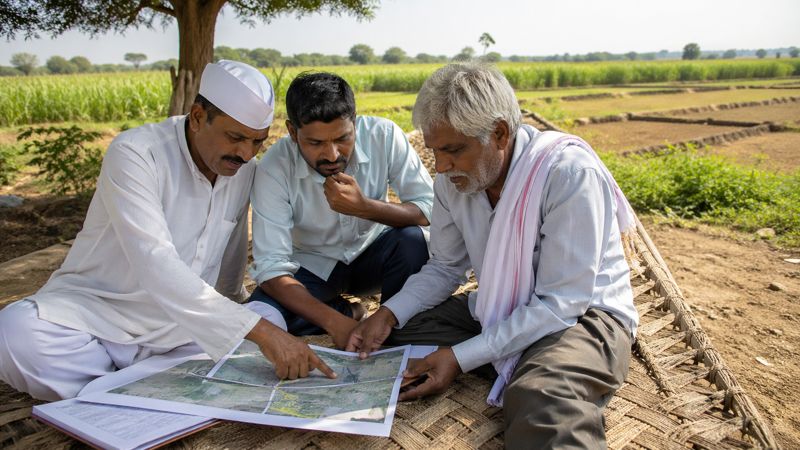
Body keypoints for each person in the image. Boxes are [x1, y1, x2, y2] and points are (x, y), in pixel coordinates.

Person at [0, 60, 335, 402]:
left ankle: (120, 388)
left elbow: (232, 246)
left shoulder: (243, 170)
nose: (246, 154)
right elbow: (154, 260)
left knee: (267, 314)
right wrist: (255, 332)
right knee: (15, 335)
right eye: (236, 138)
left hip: (183, 327)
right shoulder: (137, 153)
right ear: (197, 117)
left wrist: (237, 307)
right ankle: (152, 385)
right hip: (99, 316)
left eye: (257, 143)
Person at [346, 62, 639, 448]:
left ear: (499, 133)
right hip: (498, 305)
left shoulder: (567, 175)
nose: (442, 166)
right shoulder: (452, 183)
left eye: (453, 150)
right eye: (435, 151)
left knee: (542, 397)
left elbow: (560, 303)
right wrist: (386, 314)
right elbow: (446, 267)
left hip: (582, 316)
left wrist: (460, 357)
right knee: (391, 338)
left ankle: (539, 367)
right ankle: (511, 352)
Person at [248, 72, 434, 349]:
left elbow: (430, 208)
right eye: (315, 143)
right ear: (292, 132)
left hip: (375, 259)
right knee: (261, 312)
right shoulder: (274, 167)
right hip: (312, 268)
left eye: (342, 138)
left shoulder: (384, 135)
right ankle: (346, 312)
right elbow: (271, 268)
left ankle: (393, 326)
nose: (332, 155)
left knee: (413, 241)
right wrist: (337, 323)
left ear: (356, 123)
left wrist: (365, 208)